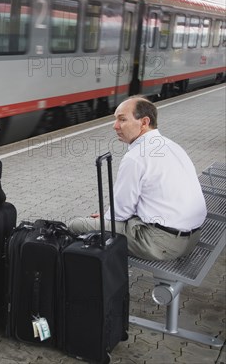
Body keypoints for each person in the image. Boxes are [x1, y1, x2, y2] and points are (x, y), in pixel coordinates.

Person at [68, 95, 207, 261]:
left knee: (76, 225)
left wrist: (107, 218)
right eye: (115, 120)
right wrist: (108, 217)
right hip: (191, 237)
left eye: (122, 119)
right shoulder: (171, 145)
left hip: (162, 243)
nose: (115, 126)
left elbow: (121, 212)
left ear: (144, 122)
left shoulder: (136, 156)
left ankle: (89, 275)